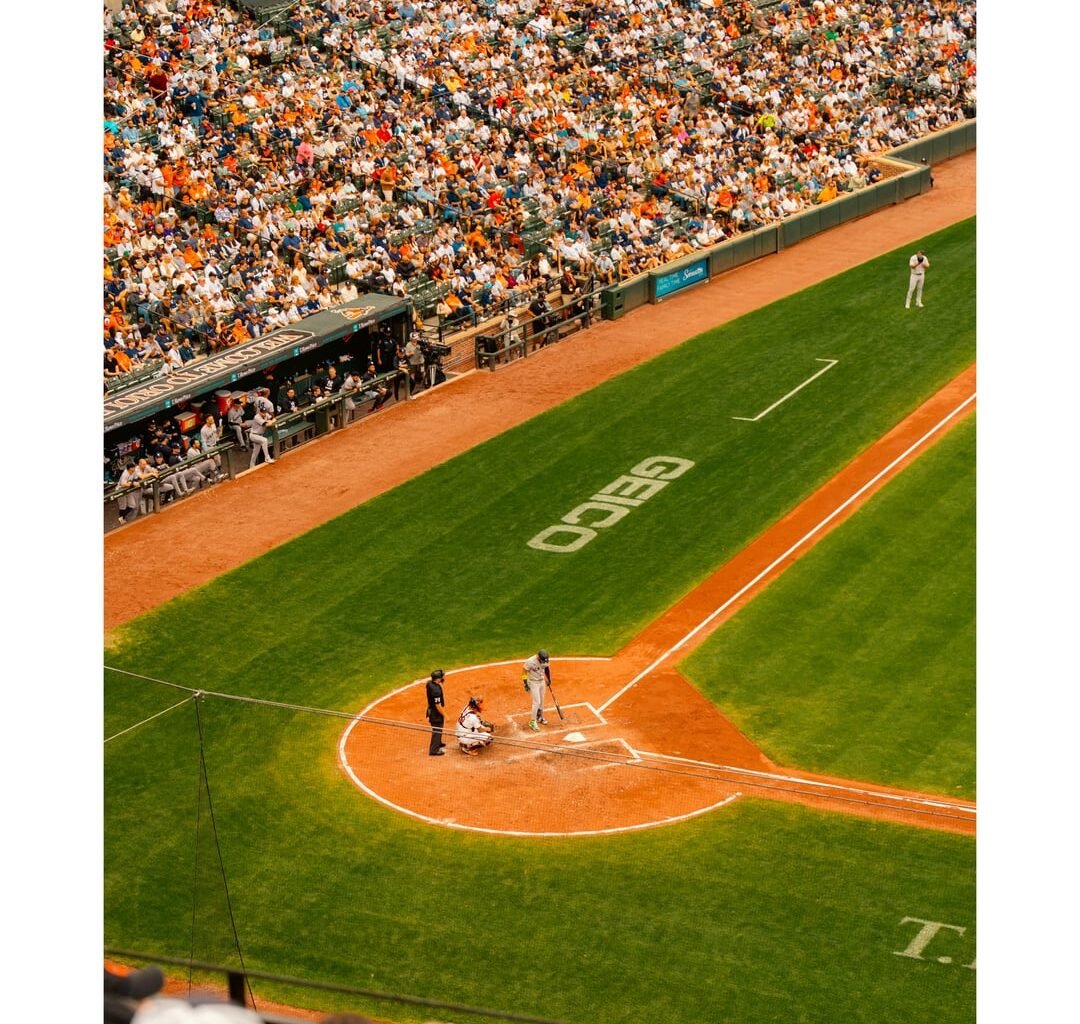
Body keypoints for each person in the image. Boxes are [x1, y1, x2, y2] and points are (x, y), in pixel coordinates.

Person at [521, 649, 552, 731]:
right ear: (538, 657)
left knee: (541, 701)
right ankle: (532, 721)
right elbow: (524, 671)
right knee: (536, 702)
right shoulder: (530, 661)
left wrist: (548, 679)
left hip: (541, 681)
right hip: (533, 682)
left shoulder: (545, 660)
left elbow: (547, 668)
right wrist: (525, 683)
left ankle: (540, 717)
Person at [425, 669, 447, 756]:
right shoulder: (436, 690)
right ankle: (434, 750)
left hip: (432, 709)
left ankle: (438, 742)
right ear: (438, 679)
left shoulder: (429, 684)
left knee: (439, 728)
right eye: (442, 676)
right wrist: (445, 715)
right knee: (437, 730)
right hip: (435, 713)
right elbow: (438, 705)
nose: (443, 677)